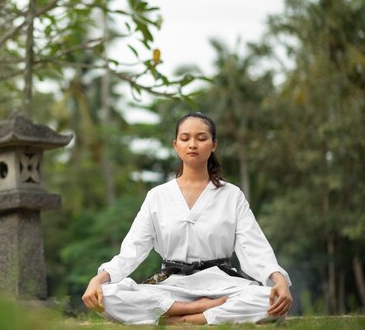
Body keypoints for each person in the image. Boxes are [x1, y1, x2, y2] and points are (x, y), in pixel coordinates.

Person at [82, 112, 292, 325]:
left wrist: (279, 279)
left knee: (270, 301)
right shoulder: (158, 196)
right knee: (108, 295)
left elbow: (253, 246)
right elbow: (132, 250)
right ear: (176, 145)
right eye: (185, 138)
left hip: (221, 283)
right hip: (171, 285)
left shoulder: (232, 195)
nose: (193, 144)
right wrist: (98, 279)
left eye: (201, 138)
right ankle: (196, 311)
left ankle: (177, 321)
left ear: (213, 145)